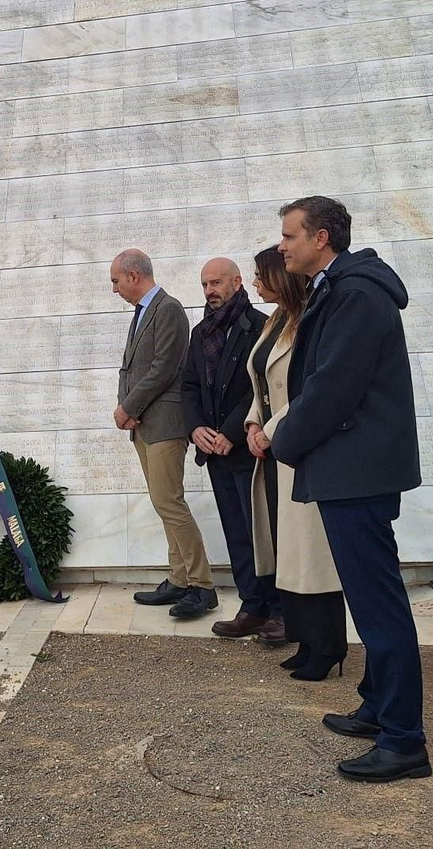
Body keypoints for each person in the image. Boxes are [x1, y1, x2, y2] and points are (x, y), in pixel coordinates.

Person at [271, 196, 430, 783]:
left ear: (323, 238)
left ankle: (404, 740)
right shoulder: (342, 288)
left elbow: (332, 386)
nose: (282, 245)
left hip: (355, 469)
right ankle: (377, 706)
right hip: (350, 467)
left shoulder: (356, 294)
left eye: (290, 235)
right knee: (369, 601)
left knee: (378, 605)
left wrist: (284, 442)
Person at [244, 244, 347, 679]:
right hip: (272, 452)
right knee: (288, 551)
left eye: (260, 275)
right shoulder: (275, 321)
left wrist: (270, 431)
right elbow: (262, 383)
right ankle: (304, 640)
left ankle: (327, 648)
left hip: (297, 446)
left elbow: (309, 388)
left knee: (311, 553)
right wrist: (253, 424)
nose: (254, 283)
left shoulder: (308, 318)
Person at [112, 249, 212, 619]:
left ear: (134, 275)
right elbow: (129, 368)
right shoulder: (141, 314)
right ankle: (180, 579)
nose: (114, 288)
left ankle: (202, 586)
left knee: (170, 502)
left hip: (166, 424)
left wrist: (128, 408)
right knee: (162, 503)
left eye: (115, 280)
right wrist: (127, 409)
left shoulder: (168, 308)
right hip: (144, 424)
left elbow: (164, 368)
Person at [178, 258, 272, 638]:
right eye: (204, 285)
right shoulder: (200, 333)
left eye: (216, 283)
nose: (209, 291)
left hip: (248, 448)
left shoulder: (261, 327)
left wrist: (231, 431)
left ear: (236, 282)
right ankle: (253, 607)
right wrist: (196, 427)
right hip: (215, 452)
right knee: (236, 531)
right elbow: (188, 386)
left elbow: (260, 386)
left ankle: (279, 609)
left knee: (262, 531)